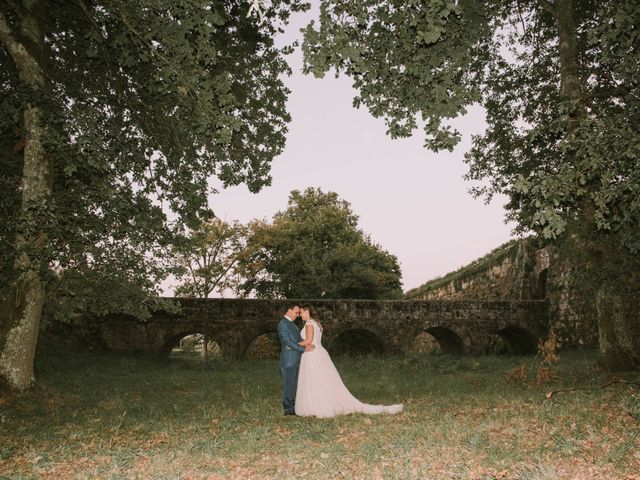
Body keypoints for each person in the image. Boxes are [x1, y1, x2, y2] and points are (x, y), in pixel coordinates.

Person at [294, 305, 403, 418]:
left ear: (307, 311)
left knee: (315, 380)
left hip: (312, 355)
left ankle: (316, 405)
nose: (300, 315)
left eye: (301, 312)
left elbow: (308, 340)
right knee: (321, 381)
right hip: (319, 353)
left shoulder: (309, 324)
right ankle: (319, 403)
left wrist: (292, 344)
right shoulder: (317, 323)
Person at [277, 304, 314, 416]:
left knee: (294, 384)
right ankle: (288, 410)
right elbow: (287, 342)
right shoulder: (283, 323)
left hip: (296, 358)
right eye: (296, 312)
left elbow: (298, 340)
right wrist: (303, 349)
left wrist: (309, 344)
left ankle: (294, 406)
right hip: (288, 360)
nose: (298, 315)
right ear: (289, 310)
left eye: (299, 313)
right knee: (289, 385)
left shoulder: (292, 324)